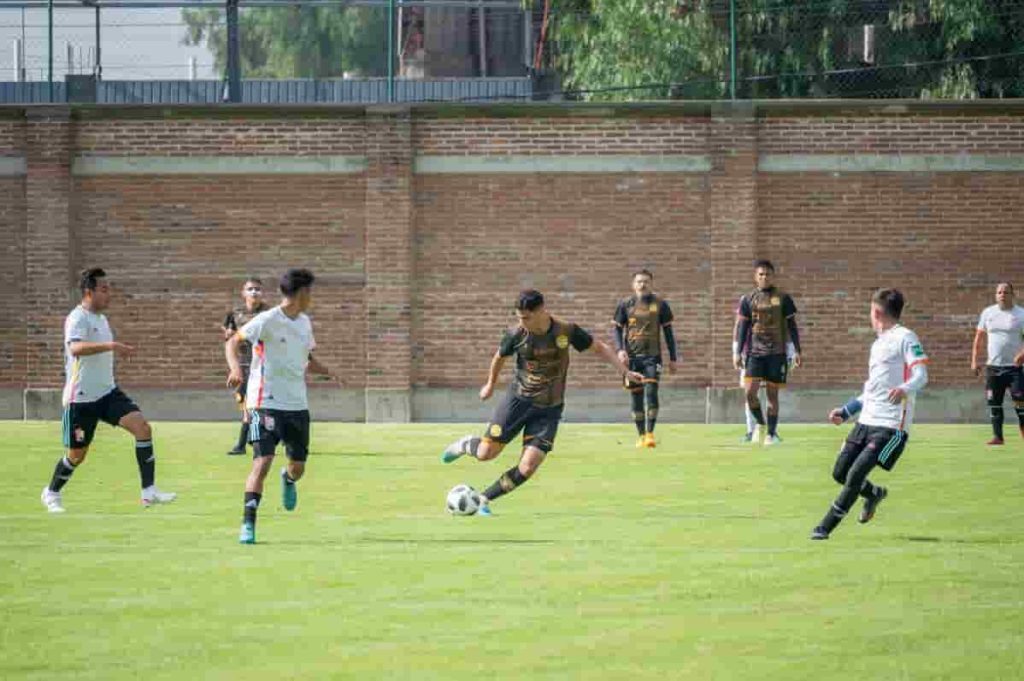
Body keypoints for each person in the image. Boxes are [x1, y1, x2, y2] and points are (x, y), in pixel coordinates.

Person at [440, 289, 643, 515]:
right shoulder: (516, 334)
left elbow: (599, 348)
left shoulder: (566, 331)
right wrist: (490, 384)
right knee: (486, 454)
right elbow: (499, 358)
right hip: (518, 402)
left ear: (541, 311)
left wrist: (625, 371)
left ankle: (483, 499)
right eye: (518, 317)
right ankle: (466, 444)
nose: (522, 321)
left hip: (549, 408)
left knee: (528, 466)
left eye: (526, 317)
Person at [40, 268, 176, 513]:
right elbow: (76, 348)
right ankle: (51, 493)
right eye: (103, 289)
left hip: (108, 394)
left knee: (142, 428)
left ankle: (149, 491)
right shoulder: (77, 318)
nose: (108, 294)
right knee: (76, 455)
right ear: (88, 292)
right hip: (80, 400)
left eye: (108, 289)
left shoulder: (101, 319)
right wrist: (111, 345)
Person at [811, 289, 928, 540]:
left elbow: (922, 375)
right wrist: (846, 411)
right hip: (865, 422)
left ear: (876, 312)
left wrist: (904, 389)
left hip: (891, 427)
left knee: (855, 475)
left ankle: (825, 527)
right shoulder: (877, 345)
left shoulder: (906, 338)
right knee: (840, 473)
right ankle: (874, 494)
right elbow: (872, 390)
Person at [226, 268, 333, 544]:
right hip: (262, 404)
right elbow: (232, 342)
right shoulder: (267, 320)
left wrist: (329, 372)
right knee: (261, 461)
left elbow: (307, 358)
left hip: (297, 406)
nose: (312, 298)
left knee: (298, 467)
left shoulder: (304, 323)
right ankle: (248, 524)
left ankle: (288, 478)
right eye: (310, 292)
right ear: (301, 293)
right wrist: (236, 368)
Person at [733, 260, 802, 445]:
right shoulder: (748, 299)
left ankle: (771, 434)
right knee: (749, 393)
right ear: (755, 277)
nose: (764, 277)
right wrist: (738, 352)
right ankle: (760, 424)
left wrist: (797, 351)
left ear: (773, 276)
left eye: (767, 274)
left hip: (776, 353)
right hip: (755, 353)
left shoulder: (783, 298)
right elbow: (743, 327)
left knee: (772, 396)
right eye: (761, 274)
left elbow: (792, 326)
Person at [612, 269, 678, 448]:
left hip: (652, 357)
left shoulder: (660, 304)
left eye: (646, 281)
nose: (643, 284)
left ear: (651, 284)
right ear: (633, 285)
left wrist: (673, 358)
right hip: (632, 359)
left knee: (651, 392)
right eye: (639, 281)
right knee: (636, 396)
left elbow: (668, 332)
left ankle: (650, 434)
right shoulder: (625, 304)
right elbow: (617, 329)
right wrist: (619, 350)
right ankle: (640, 435)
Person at [971, 282, 1024, 446]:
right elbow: (978, 339)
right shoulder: (988, 313)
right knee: (994, 403)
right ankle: (997, 437)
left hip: (1015, 369)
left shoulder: (1021, 314)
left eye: (1006, 292)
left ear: (1012, 295)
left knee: (1020, 402)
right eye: (999, 292)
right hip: (993, 368)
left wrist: (1022, 355)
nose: (1002, 295)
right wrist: (974, 360)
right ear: (996, 295)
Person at [222, 277, 269, 455]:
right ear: (244, 293)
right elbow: (229, 337)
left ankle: (243, 444)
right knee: (246, 406)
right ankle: (249, 440)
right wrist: (229, 334)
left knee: (256, 406)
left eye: (257, 289)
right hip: (242, 365)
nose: (254, 292)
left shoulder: (268, 314)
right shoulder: (235, 313)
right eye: (250, 289)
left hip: (262, 365)